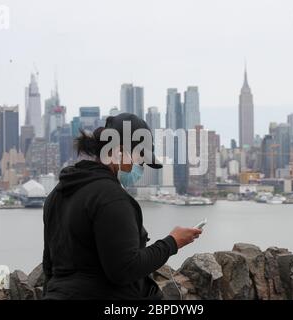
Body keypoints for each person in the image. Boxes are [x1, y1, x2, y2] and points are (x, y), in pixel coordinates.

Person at [42, 113, 202, 300]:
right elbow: (125, 269)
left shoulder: (57, 194)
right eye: (139, 158)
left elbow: (49, 266)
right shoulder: (112, 197)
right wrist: (172, 242)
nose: (140, 167)